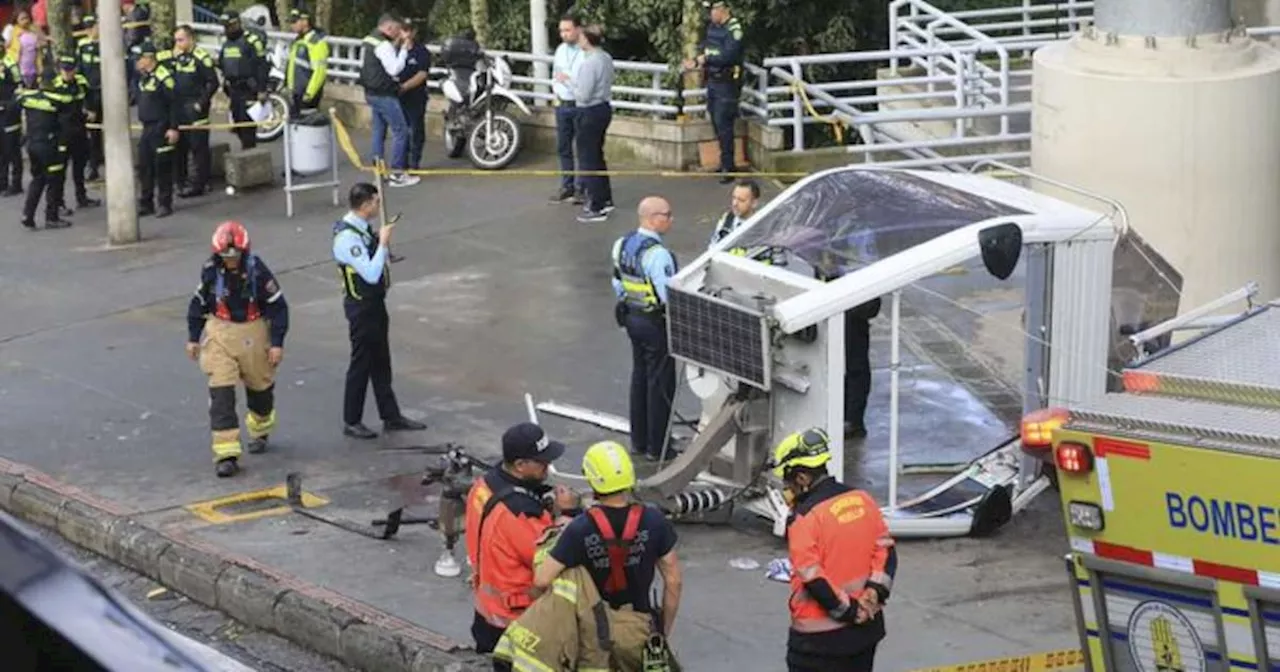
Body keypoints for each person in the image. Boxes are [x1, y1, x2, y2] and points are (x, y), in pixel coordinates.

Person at [772, 427, 896, 672]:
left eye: (787, 479)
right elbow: (886, 552)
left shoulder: (803, 518)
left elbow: (813, 577)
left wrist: (849, 611)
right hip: (865, 633)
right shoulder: (862, 499)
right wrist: (874, 594)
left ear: (802, 478)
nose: (786, 487)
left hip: (818, 644)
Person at [534, 441, 683, 646]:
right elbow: (674, 581)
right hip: (639, 626)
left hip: (592, 631)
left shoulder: (579, 529)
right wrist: (662, 633)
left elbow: (542, 579)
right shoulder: (654, 521)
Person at [463, 421, 578, 662]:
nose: (548, 467)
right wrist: (567, 515)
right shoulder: (520, 513)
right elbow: (551, 561)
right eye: (542, 462)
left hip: (486, 609)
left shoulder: (483, 486)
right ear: (520, 465)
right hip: (516, 620)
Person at [186, 222, 289, 478]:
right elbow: (198, 303)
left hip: (253, 331)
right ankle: (226, 454)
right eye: (225, 255)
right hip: (220, 331)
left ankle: (260, 426)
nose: (230, 260)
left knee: (260, 388)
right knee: (221, 392)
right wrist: (193, 337)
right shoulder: (210, 272)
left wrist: (276, 343)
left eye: (234, 255)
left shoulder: (258, 271)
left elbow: (278, 307)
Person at [332, 182, 428, 439]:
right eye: (375, 202)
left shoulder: (361, 229)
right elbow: (371, 273)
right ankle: (351, 420)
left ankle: (391, 415)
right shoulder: (347, 238)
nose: (378, 206)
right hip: (360, 307)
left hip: (374, 304)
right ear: (364, 205)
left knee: (381, 361)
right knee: (361, 363)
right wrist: (383, 244)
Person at [611, 197, 679, 461]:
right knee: (660, 383)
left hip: (631, 317)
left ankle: (639, 440)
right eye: (667, 215)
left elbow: (617, 282)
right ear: (653, 218)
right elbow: (667, 296)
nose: (671, 219)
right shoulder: (658, 254)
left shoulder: (622, 244)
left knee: (639, 377)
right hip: (654, 322)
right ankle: (658, 446)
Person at [683, 1, 744, 184]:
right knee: (716, 123)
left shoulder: (734, 29)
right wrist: (697, 61)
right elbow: (707, 49)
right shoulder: (712, 27)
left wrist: (707, 59)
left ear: (722, 10)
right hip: (713, 81)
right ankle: (724, 162)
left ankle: (728, 167)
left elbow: (729, 56)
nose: (709, 15)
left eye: (712, 11)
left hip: (727, 83)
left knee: (724, 123)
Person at [360, 13, 417, 187]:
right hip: (384, 94)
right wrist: (405, 49)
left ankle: (379, 171)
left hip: (371, 92)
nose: (399, 33)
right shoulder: (383, 45)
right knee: (401, 131)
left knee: (379, 131)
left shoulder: (369, 39)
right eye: (397, 30)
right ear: (389, 27)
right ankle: (397, 173)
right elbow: (394, 69)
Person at [132, 41, 179, 218]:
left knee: (162, 167)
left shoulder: (163, 77)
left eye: (140, 58)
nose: (137, 61)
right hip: (147, 127)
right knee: (144, 166)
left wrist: (173, 128)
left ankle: (164, 204)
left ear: (149, 58)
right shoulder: (144, 77)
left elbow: (173, 104)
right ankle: (146, 202)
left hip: (161, 126)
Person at [171, 25, 218, 199]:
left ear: (190, 39)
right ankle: (181, 182)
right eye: (176, 40)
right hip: (180, 107)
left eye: (180, 40)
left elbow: (213, 82)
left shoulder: (201, 57)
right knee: (180, 146)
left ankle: (200, 183)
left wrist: (201, 103)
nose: (177, 43)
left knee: (198, 147)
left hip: (195, 107)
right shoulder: (177, 57)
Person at [574, 24, 615, 223]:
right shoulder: (606, 58)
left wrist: (568, 83)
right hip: (603, 108)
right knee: (597, 155)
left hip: (589, 111)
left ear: (587, 40)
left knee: (588, 158)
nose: (579, 40)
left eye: (581, 37)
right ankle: (605, 198)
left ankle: (596, 205)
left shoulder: (589, 64)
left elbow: (583, 95)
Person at [17, 83, 72, 229]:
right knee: (54, 180)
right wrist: (62, 147)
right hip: (50, 146)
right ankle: (51, 217)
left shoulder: (27, 97)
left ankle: (27, 215)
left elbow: (12, 106)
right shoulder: (58, 100)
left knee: (38, 179)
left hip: (33, 145)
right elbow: (65, 124)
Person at [50, 54, 98, 214]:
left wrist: (91, 109)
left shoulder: (81, 82)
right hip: (62, 132)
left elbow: (91, 96)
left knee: (80, 166)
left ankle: (82, 197)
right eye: (64, 70)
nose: (67, 73)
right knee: (60, 171)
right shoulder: (53, 85)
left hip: (79, 129)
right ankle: (58, 203)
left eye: (70, 70)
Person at [218, 12, 269, 151]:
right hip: (233, 90)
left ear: (237, 24)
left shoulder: (252, 41)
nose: (226, 30)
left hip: (249, 88)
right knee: (237, 123)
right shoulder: (227, 43)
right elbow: (222, 63)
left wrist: (262, 89)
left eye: (228, 26)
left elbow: (262, 66)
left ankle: (249, 153)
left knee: (247, 125)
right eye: (224, 27)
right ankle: (245, 149)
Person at [548, 14, 583, 205]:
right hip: (562, 103)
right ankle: (567, 185)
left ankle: (582, 187)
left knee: (583, 148)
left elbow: (581, 78)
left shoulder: (585, 50)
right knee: (563, 147)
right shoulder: (561, 50)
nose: (564, 34)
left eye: (568, 30)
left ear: (578, 29)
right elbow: (556, 73)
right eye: (561, 30)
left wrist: (567, 78)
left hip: (579, 104)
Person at [843, 298, 880, 438]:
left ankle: (852, 419)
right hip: (838, 298)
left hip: (853, 303)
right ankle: (847, 416)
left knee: (855, 366)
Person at [397, 18, 429, 171]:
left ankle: (414, 162)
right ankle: (401, 162)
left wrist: (405, 86)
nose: (407, 34)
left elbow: (422, 74)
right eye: (404, 30)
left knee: (415, 130)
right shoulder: (394, 50)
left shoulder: (421, 51)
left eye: (409, 30)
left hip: (416, 96)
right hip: (398, 97)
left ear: (414, 31)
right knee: (401, 131)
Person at [285, 9, 329, 117]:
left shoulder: (316, 42)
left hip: (307, 94)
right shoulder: (298, 41)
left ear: (305, 22)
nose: (292, 25)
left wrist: (309, 93)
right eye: (291, 22)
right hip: (296, 92)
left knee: (307, 129)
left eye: (294, 22)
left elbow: (320, 71)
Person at [75, 14, 103, 181]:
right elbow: (80, 70)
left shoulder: (107, 43)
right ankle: (93, 166)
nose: (90, 30)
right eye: (87, 27)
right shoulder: (83, 45)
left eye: (92, 26)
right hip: (91, 93)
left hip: (106, 92)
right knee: (93, 132)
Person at [0, 36, 23, 197]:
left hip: (8, 112)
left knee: (12, 149)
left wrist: (9, 106)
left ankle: (16, 183)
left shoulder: (10, 64)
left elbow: (19, 88)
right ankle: (2, 182)